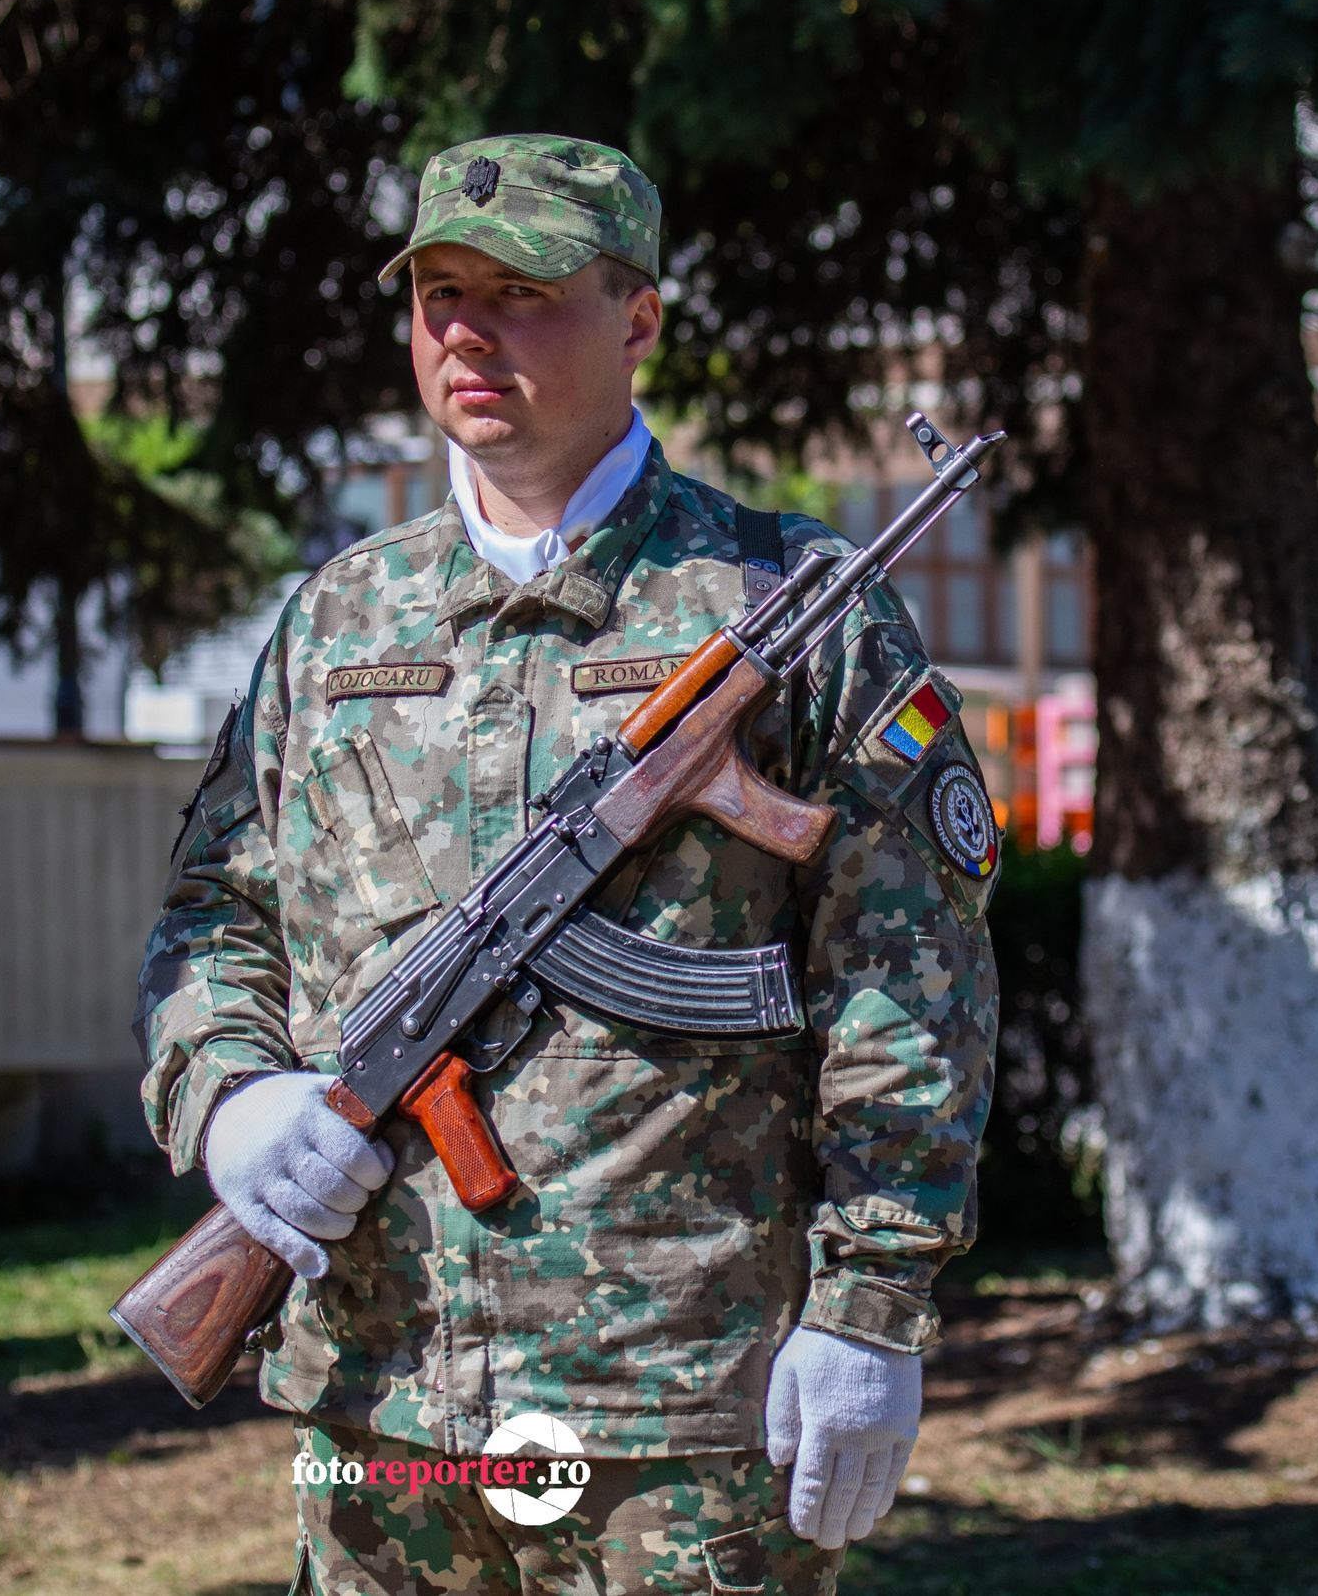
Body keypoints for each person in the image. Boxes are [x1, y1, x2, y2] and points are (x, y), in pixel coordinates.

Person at [136, 134, 999, 1596]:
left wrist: (871, 1303)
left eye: (522, 291)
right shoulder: (338, 620)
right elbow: (217, 912)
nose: (466, 330)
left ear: (640, 317)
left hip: (672, 1407)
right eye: (438, 294)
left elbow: (907, 976)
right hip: (378, 1390)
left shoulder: (783, 609)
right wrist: (233, 1097)